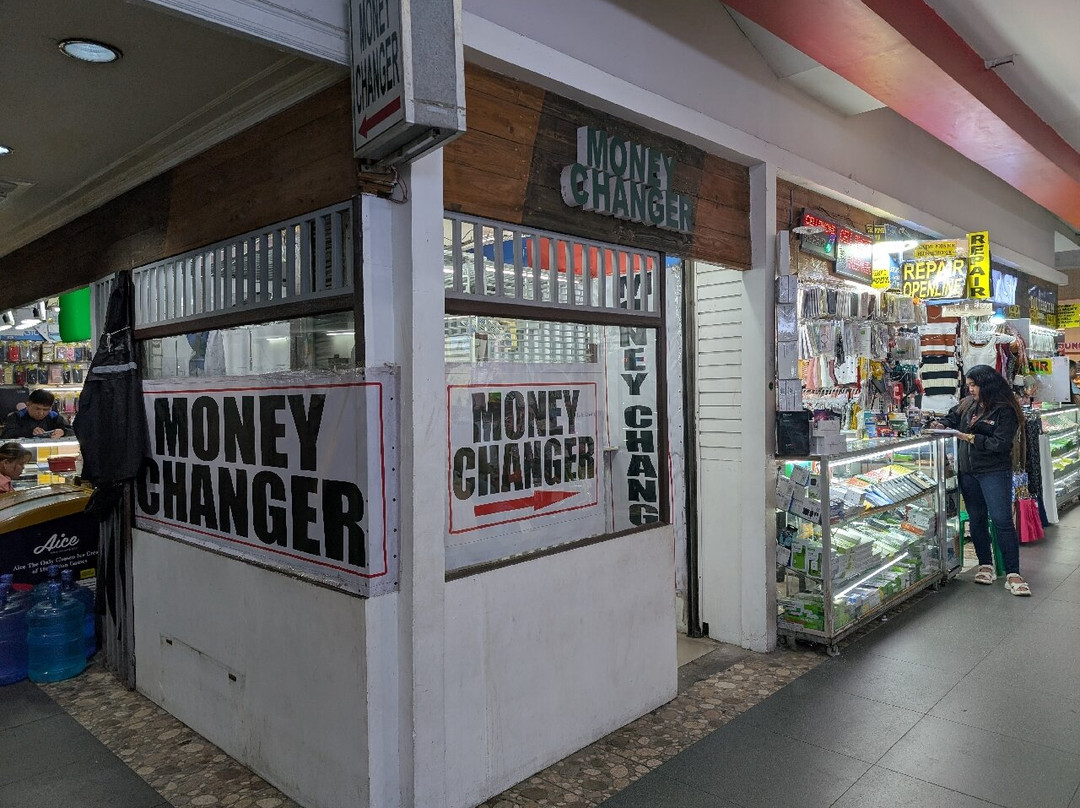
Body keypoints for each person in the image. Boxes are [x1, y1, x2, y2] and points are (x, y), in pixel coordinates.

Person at [934, 364, 1031, 596]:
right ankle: (985, 564)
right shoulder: (969, 404)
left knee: (1001, 520)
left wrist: (968, 437)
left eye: (974, 385)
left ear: (986, 384)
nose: (970, 390)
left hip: (994, 471)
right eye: (968, 385)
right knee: (976, 519)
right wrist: (942, 425)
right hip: (968, 472)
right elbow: (952, 416)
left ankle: (1013, 572)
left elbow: (999, 444)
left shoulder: (1005, 410)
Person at [1, 389, 74, 439]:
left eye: (45, 409)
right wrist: (29, 432)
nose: (41, 413)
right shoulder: (16, 417)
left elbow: (74, 432)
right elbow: (6, 435)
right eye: (37, 409)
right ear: (28, 405)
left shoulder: (54, 417)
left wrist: (63, 432)